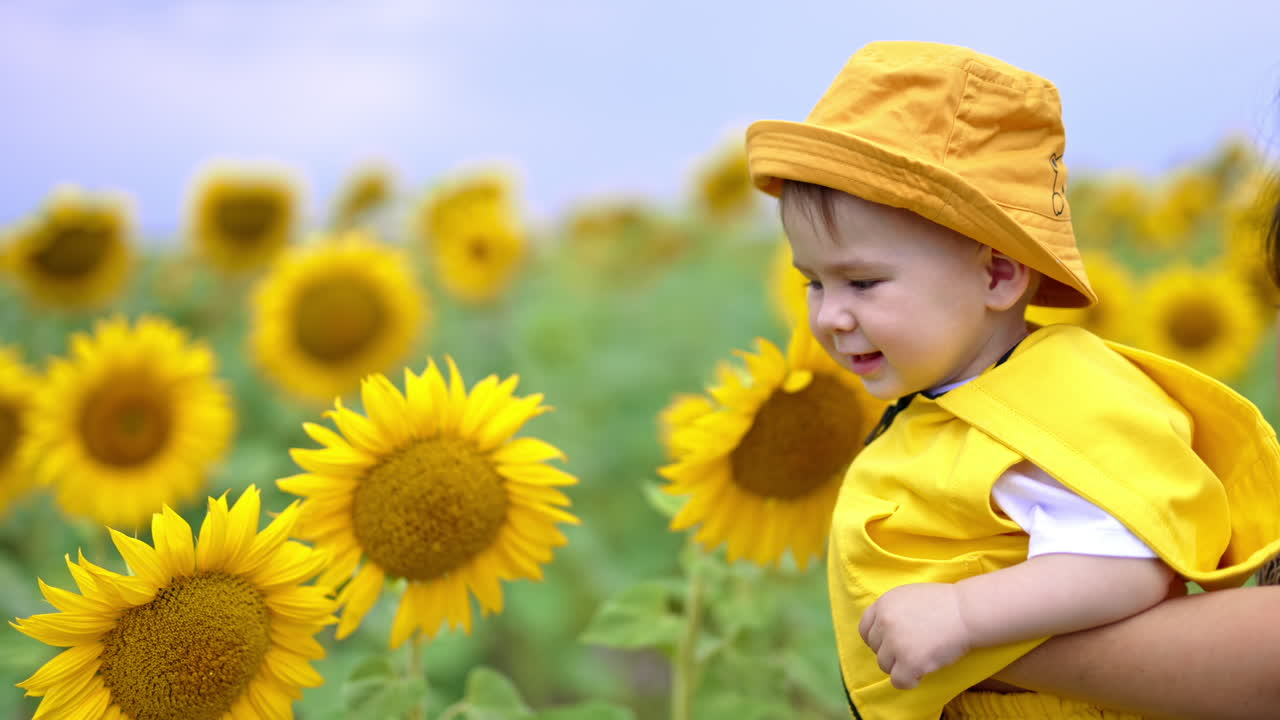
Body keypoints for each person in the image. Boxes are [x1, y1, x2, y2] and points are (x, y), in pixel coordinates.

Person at [743, 41, 1280, 719]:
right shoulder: (958, 401)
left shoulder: (1053, 409)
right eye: (814, 283)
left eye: (864, 282)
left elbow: (1126, 564)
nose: (830, 315)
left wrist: (965, 614)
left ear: (997, 275)